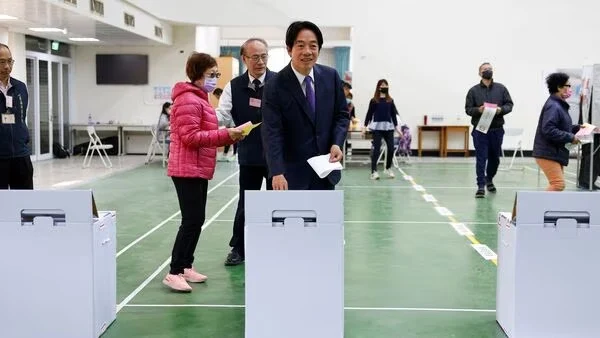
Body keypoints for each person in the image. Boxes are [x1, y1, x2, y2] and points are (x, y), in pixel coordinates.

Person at [163, 52, 244, 292]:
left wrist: (225, 132)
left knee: (197, 219)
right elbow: (190, 137)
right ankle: (174, 271)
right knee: (191, 220)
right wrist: (226, 134)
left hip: (198, 167)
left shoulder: (200, 98)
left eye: (217, 74)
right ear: (197, 75)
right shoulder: (188, 100)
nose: (215, 79)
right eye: (212, 74)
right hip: (186, 168)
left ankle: (186, 265)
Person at [261, 21, 350, 190]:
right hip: (290, 175)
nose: (307, 52)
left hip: (325, 170)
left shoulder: (330, 77)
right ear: (289, 49)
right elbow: (271, 132)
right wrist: (277, 172)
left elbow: (341, 115)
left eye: (313, 46)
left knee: (325, 217)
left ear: (319, 49)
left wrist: (337, 142)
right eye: (300, 45)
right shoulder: (275, 85)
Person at [215, 38, 276, 266]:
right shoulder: (234, 85)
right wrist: (200, 118)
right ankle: (238, 248)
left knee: (276, 202)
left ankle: (275, 245)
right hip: (249, 154)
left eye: (264, 56)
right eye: (255, 57)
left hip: (276, 157)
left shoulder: (280, 81)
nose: (260, 62)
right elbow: (222, 115)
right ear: (244, 59)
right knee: (246, 202)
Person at [465, 62, 514, 198]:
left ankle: (489, 179)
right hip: (480, 130)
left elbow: (509, 104)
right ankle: (480, 186)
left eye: (490, 69)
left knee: (494, 159)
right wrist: (478, 110)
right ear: (479, 73)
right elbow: (468, 109)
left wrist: (501, 110)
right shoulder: (473, 91)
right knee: (481, 158)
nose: (488, 71)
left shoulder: (501, 89)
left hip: (496, 129)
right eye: (485, 69)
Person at [533, 72, 582, 191]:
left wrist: (579, 128)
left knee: (557, 184)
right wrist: (571, 138)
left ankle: (525, 209)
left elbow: (562, 127)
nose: (570, 89)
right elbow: (549, 130)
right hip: (547, 152)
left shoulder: (559, 105)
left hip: (555, 152)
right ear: (559, 87)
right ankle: (534, 208)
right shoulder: (554, 106)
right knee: (558, 184)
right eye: (568, 86)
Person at [0, 43, 33, 190]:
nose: (7, 66)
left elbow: (21, 118)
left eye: (10, 61)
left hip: (20, 156)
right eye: (1, 62)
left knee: (25, 205)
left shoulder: (20, 87)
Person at [363, 79, 402, 180]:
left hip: (388, 128)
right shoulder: (374, 100)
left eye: (386, 85)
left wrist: (397, 129)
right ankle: (374, 171)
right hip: (377, 128)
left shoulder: (390, 100)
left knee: (390, 148)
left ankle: (388, 168)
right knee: (376, 149)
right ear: (379, 87)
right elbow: (369, 113)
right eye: (382, 85)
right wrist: (365, 126)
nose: (384, 87)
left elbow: (393, 115)